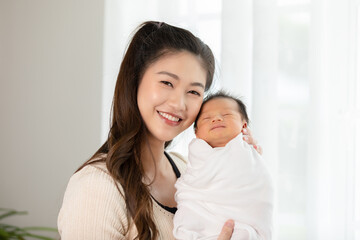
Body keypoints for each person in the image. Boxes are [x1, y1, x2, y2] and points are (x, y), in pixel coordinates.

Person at [57, 21, 260, 240]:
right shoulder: (97, 186)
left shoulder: (188, 169)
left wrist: (245, 166)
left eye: (193, 91)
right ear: (135, 80)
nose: (179, 103)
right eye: (167, 82)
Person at [173, 92, 273, 240]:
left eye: (226, 114)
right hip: (199, 212)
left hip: (242, 222)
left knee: (245, 234)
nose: (216, 119)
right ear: (196, 133)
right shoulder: (196, 155)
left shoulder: (247, 152)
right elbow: (192, 187)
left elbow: (257, 184)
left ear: (244, 126)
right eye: (207, 118)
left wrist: (251, 155)